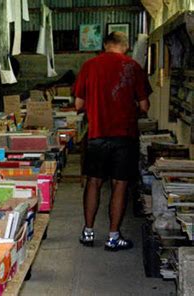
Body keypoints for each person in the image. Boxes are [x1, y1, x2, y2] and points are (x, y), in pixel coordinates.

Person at [73, 32, 151, 251]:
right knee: (120, 185)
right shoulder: (133, 67)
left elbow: (79, 104)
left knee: (93, 182)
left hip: (97, 134)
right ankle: (113, 237)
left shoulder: (89, 66)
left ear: (105, 45)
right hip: (124, 136)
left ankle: (88, 232)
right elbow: (144, 106)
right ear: (125, 46)